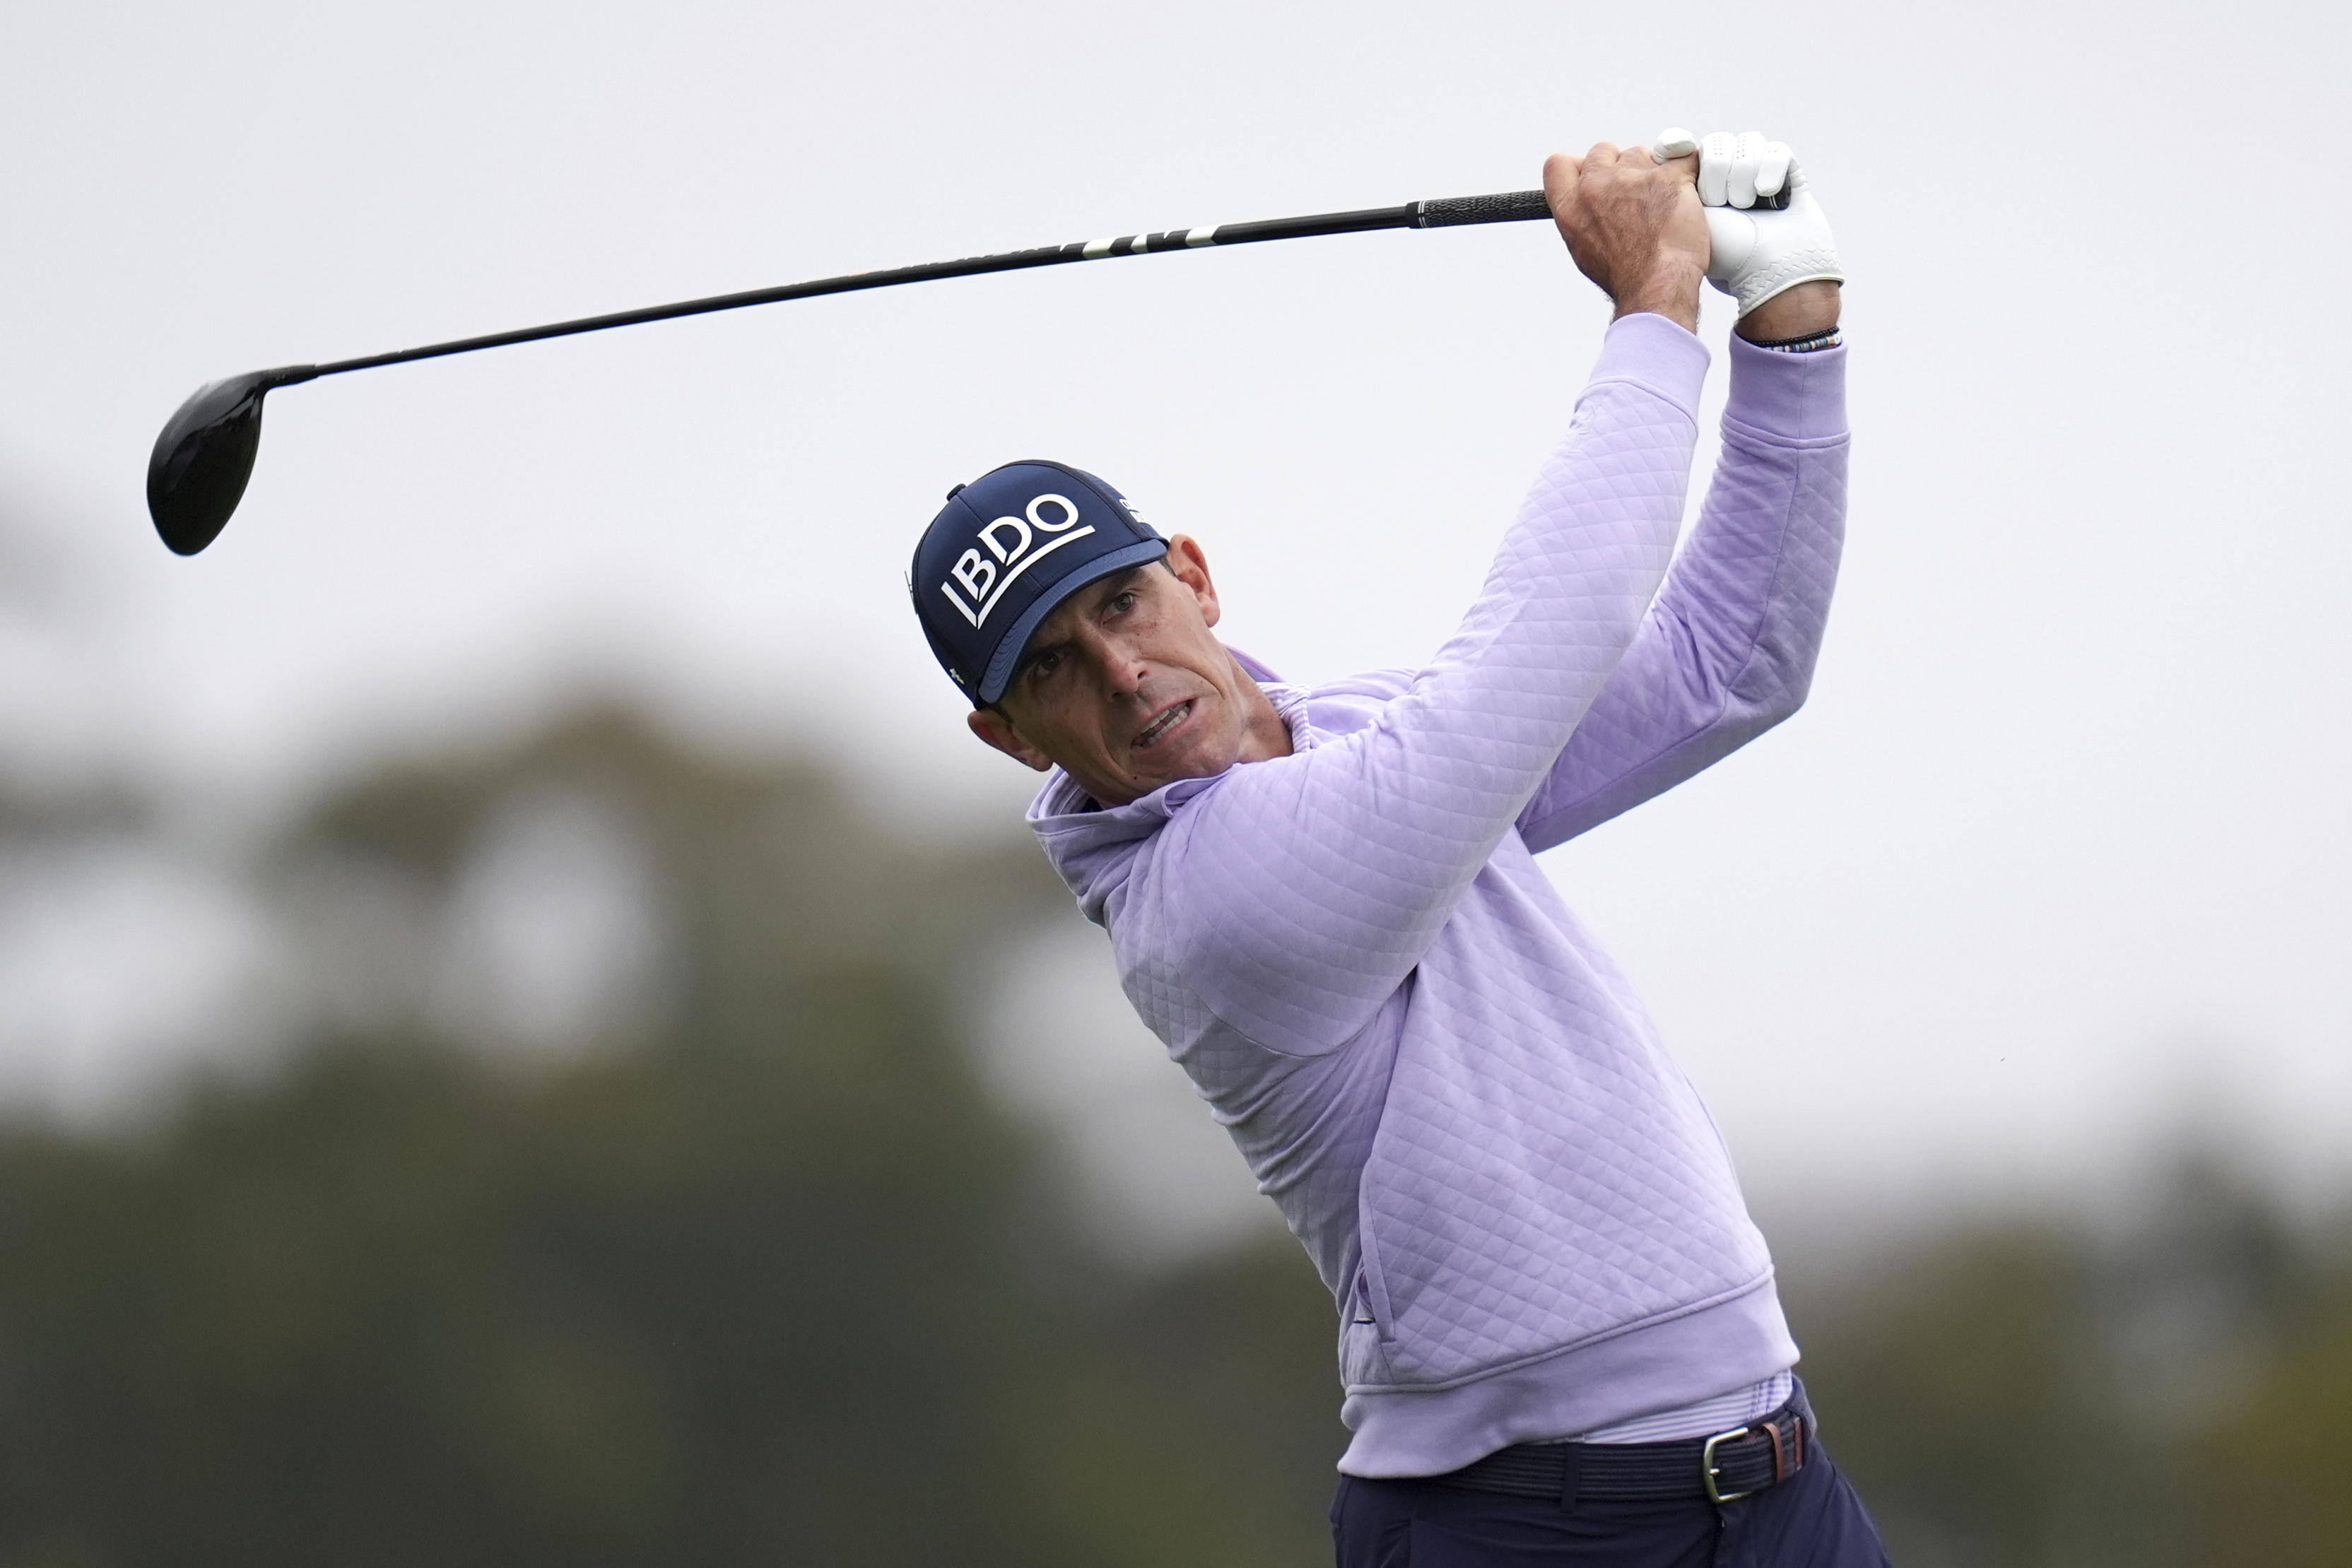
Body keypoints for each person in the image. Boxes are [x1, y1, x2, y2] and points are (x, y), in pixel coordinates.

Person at [909, 129, 1888, 1567]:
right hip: (1523, 1528)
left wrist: (1789, 328)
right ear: (1010, 739)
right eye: (1049, 670)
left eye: (1120, 605)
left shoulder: (1358, 740)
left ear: (1192, 575)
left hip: (1776, 1482)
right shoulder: (1208, 904)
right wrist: (1647, 312)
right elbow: (1533, 654)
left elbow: (1724, 664)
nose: (1116, 672)